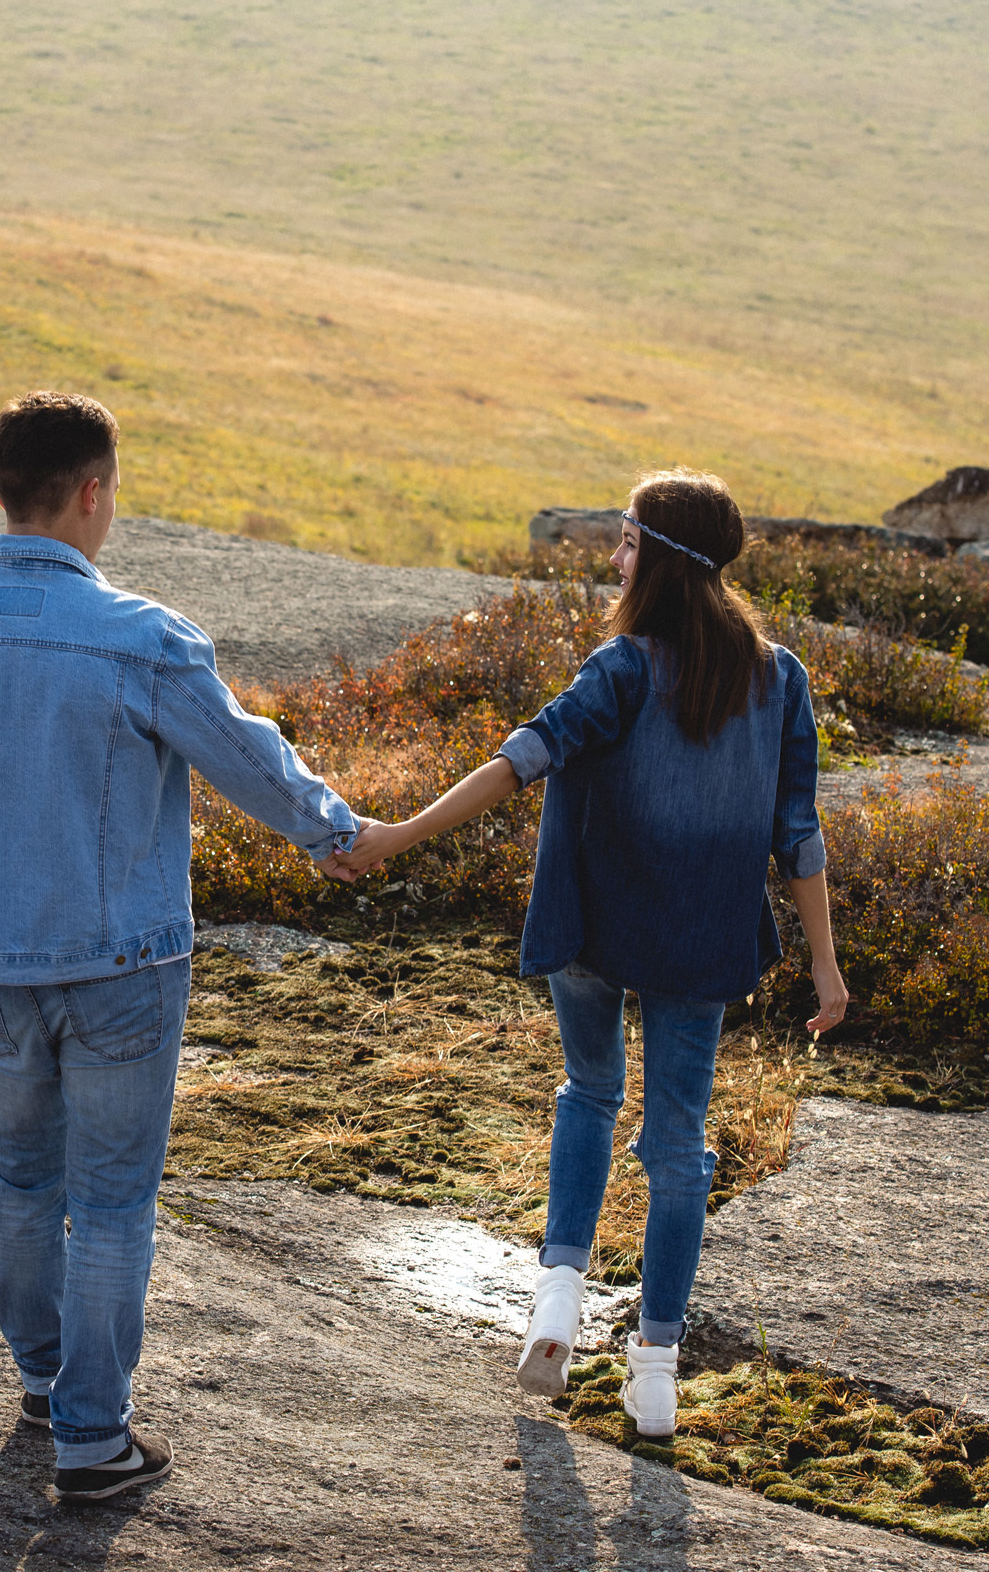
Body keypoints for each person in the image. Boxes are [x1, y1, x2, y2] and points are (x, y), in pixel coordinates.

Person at [0, 391, 364, 1501]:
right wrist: (336, 836)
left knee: (23, 1179)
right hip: (125, 968)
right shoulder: (142, 637)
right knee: (115, 1202)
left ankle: (45, 1384)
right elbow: (249, 761)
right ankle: (94, 1438)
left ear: (5, 484)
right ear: (92, 492)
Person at [339, 469, 849, 1439]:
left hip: (596, 927)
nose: (613, 558)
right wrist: (824, 965)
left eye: (624, 540)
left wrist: (398, 834)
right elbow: (800, 836)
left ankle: (559, 1307)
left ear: (659, 557)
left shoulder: (622, 667)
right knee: (680, 1150)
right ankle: (654, 1371)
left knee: (589, 1093)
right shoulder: (779, 679)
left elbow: (522, 759)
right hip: (699, 942)